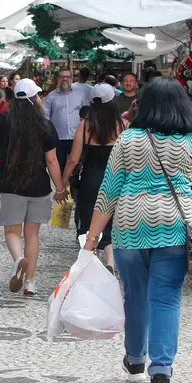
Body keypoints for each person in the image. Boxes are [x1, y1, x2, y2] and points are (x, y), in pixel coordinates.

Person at [85, 78, 192, 383]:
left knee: (135, 296)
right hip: (173, 227)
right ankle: (161, 373)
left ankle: (135, 360)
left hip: (130, 227)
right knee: (165, 299)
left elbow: (108, 191)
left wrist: (93, 238)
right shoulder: (190, 140)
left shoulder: (129, 138)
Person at [0, 79, 64, 297]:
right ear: (34, 99)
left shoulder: (3, 122)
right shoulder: (45, 125)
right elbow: (51, 161)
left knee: (12, 231)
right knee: (33, 235)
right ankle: (30, 282)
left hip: (11, 185)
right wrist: (60, 188)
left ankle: (19, 259)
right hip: (39, 186)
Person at [61, 82, 122, 268]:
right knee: (111, 223)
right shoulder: (122, 125)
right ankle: (110, 263)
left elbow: (73, 158)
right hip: (115, 180)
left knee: (88, 223)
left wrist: (62, 184)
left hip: (90, 181)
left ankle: (93, 265)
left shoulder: (85, 125)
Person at [42, 67, 93, 172]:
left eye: (67, 77)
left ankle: (73, 188)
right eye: (62, 77)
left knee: (76, 167)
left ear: (72, 78)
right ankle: (62, 187)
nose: (64, 79)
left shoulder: (80, 95)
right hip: (58, 138)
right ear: (58, 79)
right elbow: (45, 116)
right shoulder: (51, 96)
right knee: (59, 167)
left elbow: (87, 113)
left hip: (76, 137)